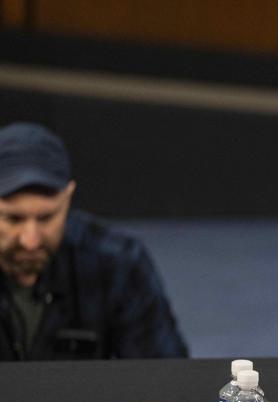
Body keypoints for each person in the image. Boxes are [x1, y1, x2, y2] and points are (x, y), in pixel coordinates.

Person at [0, 122, 187, 360]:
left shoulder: (118, 263)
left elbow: (163, 371)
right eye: (13, 219)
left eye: (46, 218)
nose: (30, 241)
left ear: (68, 198)